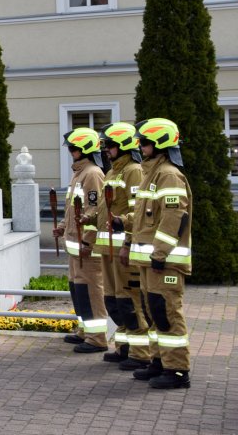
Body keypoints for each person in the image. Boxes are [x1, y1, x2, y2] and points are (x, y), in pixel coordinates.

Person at [128, 118, 193, 390]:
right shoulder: (151, 173)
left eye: (143, 142)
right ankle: (159, 361)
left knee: (167, 314)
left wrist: (160, 253)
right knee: (153, 311)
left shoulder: (167, 174)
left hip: (164, 262)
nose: (140, 147)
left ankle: (177, 370)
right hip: (149, 260)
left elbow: (173, 216)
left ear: (159, 143)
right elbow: (146, 217)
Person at [95, 123, 148, 367]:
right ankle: (124, 346)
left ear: (124, 146)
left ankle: (140, 354)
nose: (106, 150)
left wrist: (126, 235)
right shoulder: (111, 172)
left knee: (129, 301)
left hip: (123, 248)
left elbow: (138, 210)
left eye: (111, 145)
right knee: (114, 302)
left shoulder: (133, 171)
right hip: (107, 249)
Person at [53, 127, 109, 353]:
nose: (70, 152)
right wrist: (62, 228)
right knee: (78, 290)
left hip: (87, 250)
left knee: (91, 291)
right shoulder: (79, 173)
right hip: (76, 248)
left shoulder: (93, 173)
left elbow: (94, 210)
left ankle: (97, 338)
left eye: (73, 148)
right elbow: (73, 209)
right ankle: (85, 330)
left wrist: (88, 241)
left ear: (83, 150)